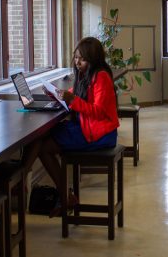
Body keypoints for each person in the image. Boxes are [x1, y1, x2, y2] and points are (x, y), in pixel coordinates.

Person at [23, 36, 119, 216]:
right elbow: (72, 95)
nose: (77, 62)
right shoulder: (85, 76)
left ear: (93, 59)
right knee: (41, 137)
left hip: (99, 134)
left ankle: (28, 183)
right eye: (76, 58)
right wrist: (54, 94)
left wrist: (73, 100)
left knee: (43, 144)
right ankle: (53, 192)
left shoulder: (102, 77)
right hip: (85, 127)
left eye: (82, 59)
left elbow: (98, 111)